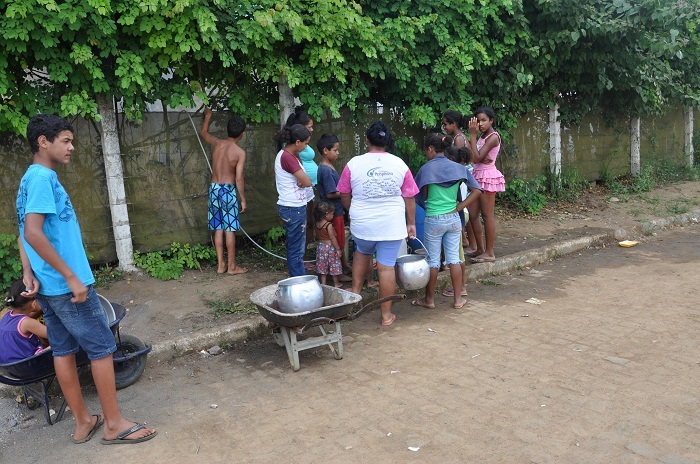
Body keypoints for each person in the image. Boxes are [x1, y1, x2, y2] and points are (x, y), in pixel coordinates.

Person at [16, 114, 156, 444]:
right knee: (101, 348)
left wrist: (28, 272)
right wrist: (71, 276)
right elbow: (33, 233)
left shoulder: (30, 179)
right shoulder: (40, 179)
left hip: (49, 285)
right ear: (43, 142)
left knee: (62, 350)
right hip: (66, 284)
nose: (71, 147)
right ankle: (113, 424)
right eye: (65, 140)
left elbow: (23, 232)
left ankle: (83, 422)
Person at [337, 121, 419, 327]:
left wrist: (351, 210)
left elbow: (344, 193)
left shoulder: (353, 164)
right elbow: (410, 198)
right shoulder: (400, 164)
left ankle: (355, 294)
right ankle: (386, 315)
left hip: (362, 223)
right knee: (386, 268)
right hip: (391, 224)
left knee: (362, 253)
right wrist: (411, 224)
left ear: (367, 140)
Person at [412, 134, 481, 310]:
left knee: (433, 261)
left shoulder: (426, 169)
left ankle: (429, 300)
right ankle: (458, 300)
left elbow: (419, 196)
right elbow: (477, 190)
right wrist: (460, 207)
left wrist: (427, 206)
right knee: (455, 259)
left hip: (434, 219)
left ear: (430, 149)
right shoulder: (459, 168)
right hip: (453, 219)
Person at [200, 108, 248, 275]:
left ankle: (221, 265)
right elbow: (239, 178)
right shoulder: (239, 153)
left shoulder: (218, 143)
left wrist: (208, 116)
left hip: (214, 189)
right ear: (242, 133)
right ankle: (232, 267)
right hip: (228, 190)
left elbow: (204, 132)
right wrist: (242, 199)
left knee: (218, 228)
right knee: (230, 229)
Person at [274, 123, 314, 277]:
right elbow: (307, 181)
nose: (306, 146)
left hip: (292, 206)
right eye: (306, 143)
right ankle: (298, 280)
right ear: (298, 142)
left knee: (295, 247)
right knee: (296, 249)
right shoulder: (288, 158)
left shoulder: (286, 155)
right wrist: (305, 181)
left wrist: (303, 180)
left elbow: (301, 179)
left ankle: (297, 277)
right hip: (293, 207)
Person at [468, 107, 506, 263]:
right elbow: (474, 157)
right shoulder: (482, 136)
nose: (480, 124)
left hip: (487, 177)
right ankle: (480, 249)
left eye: (484, 120)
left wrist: (472, 135)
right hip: (478, 176)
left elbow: (475, 157)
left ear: (491, 120)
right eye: (478, 121)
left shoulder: (493, 137)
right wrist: (477, 156)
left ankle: (490, 252)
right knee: (472, 215)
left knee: (487, 215)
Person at [284, 112, 317, 271]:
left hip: (304, 192)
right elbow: (303, 178)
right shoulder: (288, 154)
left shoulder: (293, 151)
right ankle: (298, 269)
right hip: (296, 198)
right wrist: (307, 181)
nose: (312, 129)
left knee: (308, 225)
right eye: (309, 127)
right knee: (299, 233)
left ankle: (299, 264)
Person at [316, 133, 351, 276]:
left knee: (341, 239)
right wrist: (348, 192)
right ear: (325, 150)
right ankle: (339, 273)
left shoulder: (327, 167)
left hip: (336, 210)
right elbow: (331, 193)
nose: (338, 153)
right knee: (338, 242)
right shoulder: (326, 170)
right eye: (335, 150)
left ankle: (344, 266)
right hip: (333, 211)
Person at [0, 279, 48, 364]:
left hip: (8, 367)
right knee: (62, 342)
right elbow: (56, 335)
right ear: (34, 303)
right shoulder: (26, 322)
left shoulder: (6, 316)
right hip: (27, 366)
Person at [313, 201, 344, 288]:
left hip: (321, 247)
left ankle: (323, 283)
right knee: (333, 265)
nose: (333, 216)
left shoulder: (316, 224)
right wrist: (338, 248)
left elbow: (315, 235)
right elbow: (332, 238)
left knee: (322, 265)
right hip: (330, 248)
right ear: (326, 214)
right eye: (332, 214)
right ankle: (336, 283)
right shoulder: (328, 225)